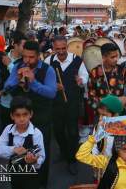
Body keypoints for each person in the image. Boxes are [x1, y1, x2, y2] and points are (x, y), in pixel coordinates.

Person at [4, 40, 57, 187]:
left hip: (41, 118)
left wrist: (33, 82)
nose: (27, 60)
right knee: (19, 151)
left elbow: (52, 93)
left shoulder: (48, 70)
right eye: (25, 56)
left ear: (38, 56)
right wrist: (17, 79)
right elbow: (7, 86)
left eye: (31, 57)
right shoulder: (17, 66)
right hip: (20, 120)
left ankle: (40, 184)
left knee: (40, 152)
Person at [44, 35, 89, 174]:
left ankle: (72, 159)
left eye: (64, 48)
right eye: (58, 49)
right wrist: (52, 85)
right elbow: (43, 79)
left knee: (73, 132)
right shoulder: (48, 61)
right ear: (53, 48)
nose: (61, 51)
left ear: (67, 46)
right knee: (58, 131)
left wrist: (81, 81)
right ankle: (64, 152)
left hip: (72, 102)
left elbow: (85, 76)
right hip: (55, 103)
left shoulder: (77, 60)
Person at [0, 97, 45, 189]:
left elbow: (41, 157)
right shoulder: (8, 130)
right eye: (17, 115)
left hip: (31, 176)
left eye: (25, 114)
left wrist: (34, 161)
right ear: (12, 116)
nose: (22, 119)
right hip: (14, 174)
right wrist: (13, 149)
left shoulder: (36, 133)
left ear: (31, 114)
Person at [88, 43, 126, 116]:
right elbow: (90, 96)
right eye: (112, 57)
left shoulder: (122, 71)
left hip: (120, 114)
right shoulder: (94, 73)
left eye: (117, 56)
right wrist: (100, 109)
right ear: (104, 57)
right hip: (102, 116)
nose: (116, 59)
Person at [0, 31, 27, 130]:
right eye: (23, 46)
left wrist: (10, 65)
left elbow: (21, 79)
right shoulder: (2, 58)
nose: (25, 49)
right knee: (6, 132)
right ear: (15, 45)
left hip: (21, 104)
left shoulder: (26, 61)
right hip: (4, 103)